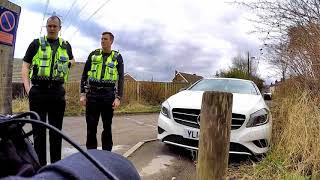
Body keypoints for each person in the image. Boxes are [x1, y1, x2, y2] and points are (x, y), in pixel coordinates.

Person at [21, 16, 75, 166]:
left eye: (54, 26)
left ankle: (56, 167)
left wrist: (68, 63)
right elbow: (25, 65)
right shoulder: (36, 43)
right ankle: (41, 168)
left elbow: (73, 59)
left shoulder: (66, 45)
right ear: (46, 27)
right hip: (38, 92)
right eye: (49, 26)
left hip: (57, 93)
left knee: (56, 133)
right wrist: (28, 88)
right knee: (38, 133)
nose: (52, 28)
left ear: (59, 28)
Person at [80, 31, 124, 151]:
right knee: (91, 127)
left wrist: (118, 97)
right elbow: (84, 75)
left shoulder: (117, 57)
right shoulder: (93, 55)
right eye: (101, 39)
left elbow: (121, 79)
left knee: (107, 127)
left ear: (111, 41)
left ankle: (107, 154)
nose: (102, 41)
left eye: (105, 39)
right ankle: (91, 154)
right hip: (92, 95)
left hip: (108, 96)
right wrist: (82, 94)